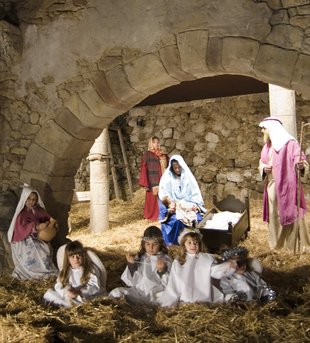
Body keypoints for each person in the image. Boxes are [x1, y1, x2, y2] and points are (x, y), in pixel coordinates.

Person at [258, 116, 310, 252]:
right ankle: (276, 245)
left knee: (290, 213)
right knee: (274, 215)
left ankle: (291, 247)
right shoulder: (267, 146)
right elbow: (262, 162)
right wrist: (264, 168)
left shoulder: (291, 144)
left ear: (272, 129)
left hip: (288, 187)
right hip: (272, 187)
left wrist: (301, 166)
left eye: (264, 128)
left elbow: (301, 160)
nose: (262, 131)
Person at [156, 229, 236, 307]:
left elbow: (215, 271)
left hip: (203, 295)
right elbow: (174, 282)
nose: (193, 245)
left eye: (196, 243)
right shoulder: (179, 261)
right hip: (186, 296)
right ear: (184, 245)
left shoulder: (206, 258)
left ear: (200, 244)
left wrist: (226, 267)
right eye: (189, 243)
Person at [109, 226, 172, 306]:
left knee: (172, 298)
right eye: (148, 244)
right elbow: (131, 282)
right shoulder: (139, 258)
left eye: (154, 244)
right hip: (139, 293)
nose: (151, 248)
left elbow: (171, 284)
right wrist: (131, 266)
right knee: (116, 293)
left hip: (158, 295)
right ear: (143, 244)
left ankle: (153, 309)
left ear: (160, 244)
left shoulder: (166, 259)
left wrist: (162, 271)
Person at [7, 185, 58, 280]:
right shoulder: (21, 214)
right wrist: (36, 226)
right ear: (24, 199)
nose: (31, 201)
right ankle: (35, 272)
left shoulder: (38, 210)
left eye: (34, 199)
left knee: (45, 247)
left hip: (38, 236)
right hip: (24, 239)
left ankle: (45, 268)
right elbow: (21, 228)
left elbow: (48, 218)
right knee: (35, 248)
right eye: (29, 199)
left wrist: (51, 222)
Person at [158, 155, 206, 245]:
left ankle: (196, 245)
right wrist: (171, 206)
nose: (177, 170)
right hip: (175, 208)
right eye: (175, 168)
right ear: (171, 168)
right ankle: (176, 246)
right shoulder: (166, 178)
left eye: (179, 167)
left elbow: (195, 194)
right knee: (177, 221)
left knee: (199, 219)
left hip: (188, 206)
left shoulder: (188, 177)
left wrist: (195, 205)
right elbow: (163, 196)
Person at [43, 240, 107, 307]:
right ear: (68, 259)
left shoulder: (90, 269)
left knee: (79, 302)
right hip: (70, 296)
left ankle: (71, 305)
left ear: (83, 256)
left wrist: (79, 292)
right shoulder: (66, 271)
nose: (76, 259)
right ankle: (68, 304)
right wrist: (67, 291)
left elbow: (94, 286)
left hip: (86, 296)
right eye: (72, 257)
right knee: (49, 294)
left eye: (79, 255)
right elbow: (59, 285)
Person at [139, 136, 169, 221]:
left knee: (164, 197)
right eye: (154, 142)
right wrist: (145, 182)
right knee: (153, 199)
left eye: (157, 142)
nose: (156, 144)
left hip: (163, 179)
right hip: (153, 180)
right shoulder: (147, 154)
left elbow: (168, 165)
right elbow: (144, 168)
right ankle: (152, 215)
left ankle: (163, 215)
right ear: (150, 143)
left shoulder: (163, 154)